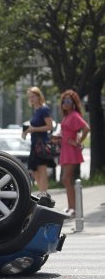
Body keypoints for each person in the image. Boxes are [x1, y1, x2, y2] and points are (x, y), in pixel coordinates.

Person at [58, 89, 90, 218]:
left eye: (68, 101)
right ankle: (71, 207)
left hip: (71, 150)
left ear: (73, 103)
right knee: (67, 180)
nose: (65, 103)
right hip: (65, 149)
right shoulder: (67, 115)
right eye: (63, 101)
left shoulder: (75, 115)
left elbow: (86, 128)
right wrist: (58, 137)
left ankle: (74, 209)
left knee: (66, 178)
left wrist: (78, 141)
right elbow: (64, 133)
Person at [23, 86, 55, 208]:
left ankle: (43, 194)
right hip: (34, 143)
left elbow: (50, 126)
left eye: (33, 96)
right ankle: (43, 192)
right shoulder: (36, 111)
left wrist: (33, 129)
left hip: (41, 144)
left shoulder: (44, 109)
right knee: (34, 169)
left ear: (38, 96)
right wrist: (27, 131)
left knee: (41, 170)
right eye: (30, 97)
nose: (31, 99)